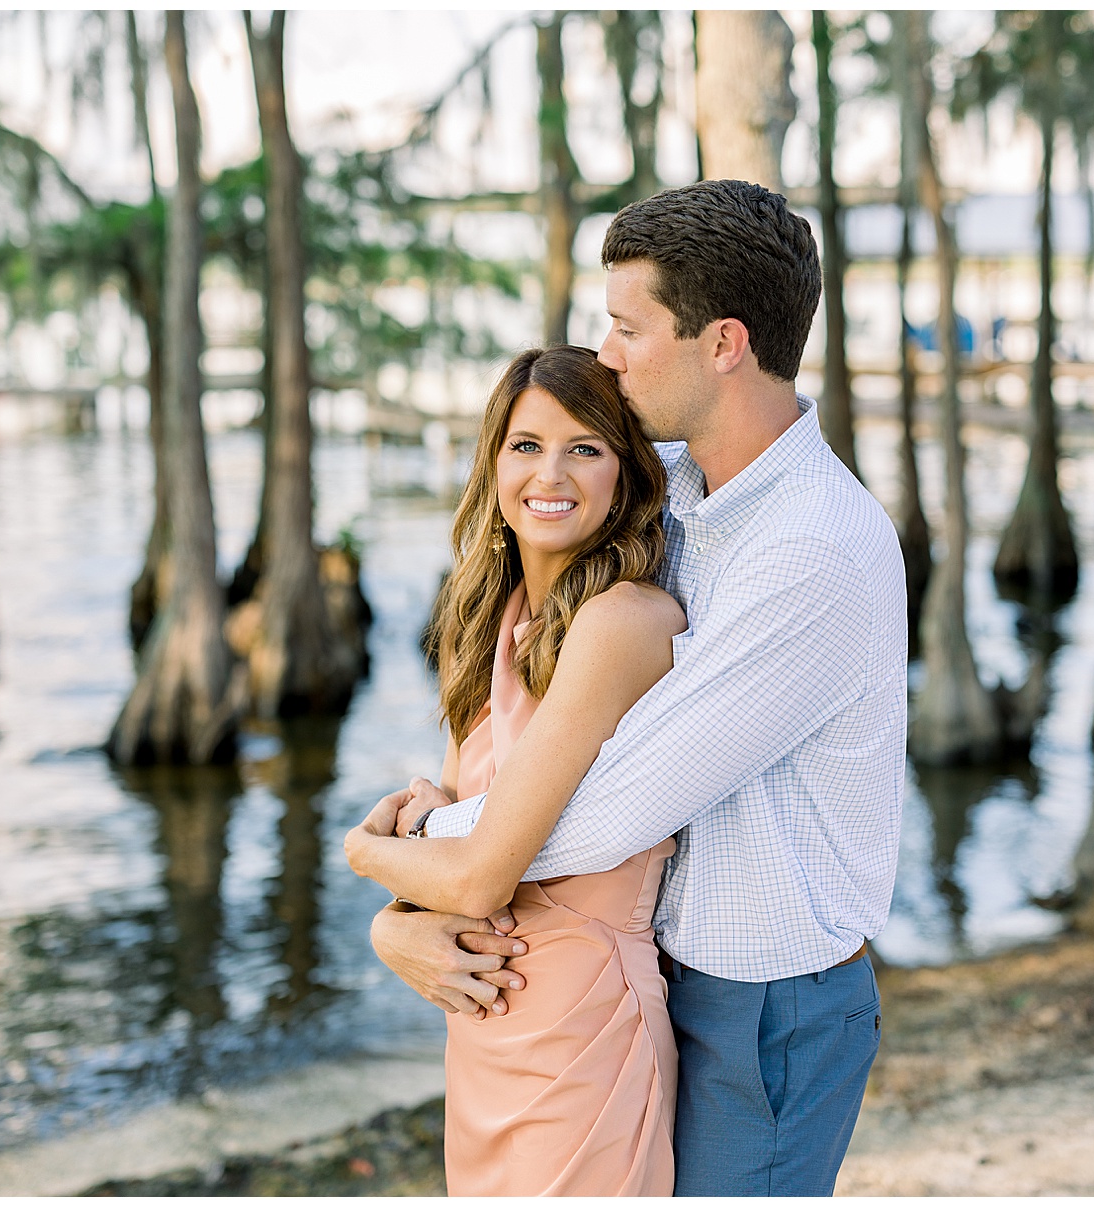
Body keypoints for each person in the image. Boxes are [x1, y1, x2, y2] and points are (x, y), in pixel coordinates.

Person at [355, 179, 907, 1196]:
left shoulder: (810, 551)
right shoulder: (690, 495)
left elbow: (600, 813)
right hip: (663, 972)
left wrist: (398, 856)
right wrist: (407, 912)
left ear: (724, 343)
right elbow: (549, 469)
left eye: (627, 326)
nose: (608, 353)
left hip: (767, 1007)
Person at [347, 343, 687, 1195]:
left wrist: (363, 852)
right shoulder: (491, 618)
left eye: (586, 447)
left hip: (583, 1028)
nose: (553, 473)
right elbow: (473, 844)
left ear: (626, 475)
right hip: (485, 1011)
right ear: (493, 462)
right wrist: (404, 909)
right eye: (527, 445)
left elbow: (478, 872)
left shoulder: (624, 622)